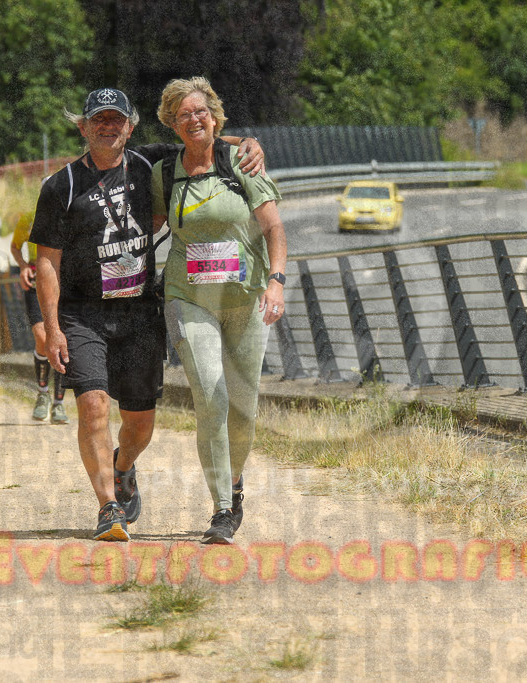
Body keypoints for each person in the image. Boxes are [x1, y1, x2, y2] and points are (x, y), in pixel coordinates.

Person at [31, 87, 264, 541]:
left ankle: (123, 465)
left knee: (139, 424)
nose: (107, 126)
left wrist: (248, 143)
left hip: (139, 312)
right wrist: (53, 326)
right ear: (82, 127)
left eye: (116, 119)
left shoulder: (148, 165)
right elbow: (47, 262)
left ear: (131, 126)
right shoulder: (61, 186)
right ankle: (108, 510)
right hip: (83, 315)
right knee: (94, 407)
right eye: (98, 119)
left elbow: (200, 136)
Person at [153, 77, 287, 545]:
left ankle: (234, 481)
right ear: (173, 122)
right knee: (210, 394)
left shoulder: (242, 162)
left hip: (245, 299)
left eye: (201, 112)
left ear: (214, 116)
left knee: (243, 410)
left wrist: (276, 281)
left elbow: (273, 229)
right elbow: (145, 223)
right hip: (188, 298)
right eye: (184, 114)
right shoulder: (164, 172)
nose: (194, 120)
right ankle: (222, 509)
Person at [10, 212, 67, 423]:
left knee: (63, 341)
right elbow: (15, 246)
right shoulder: (28, 216)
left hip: (64, 281)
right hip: (36, 280)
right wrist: (23, 266)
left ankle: (59, 404)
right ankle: (43, 394)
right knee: (43, 338)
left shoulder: (69, 211)